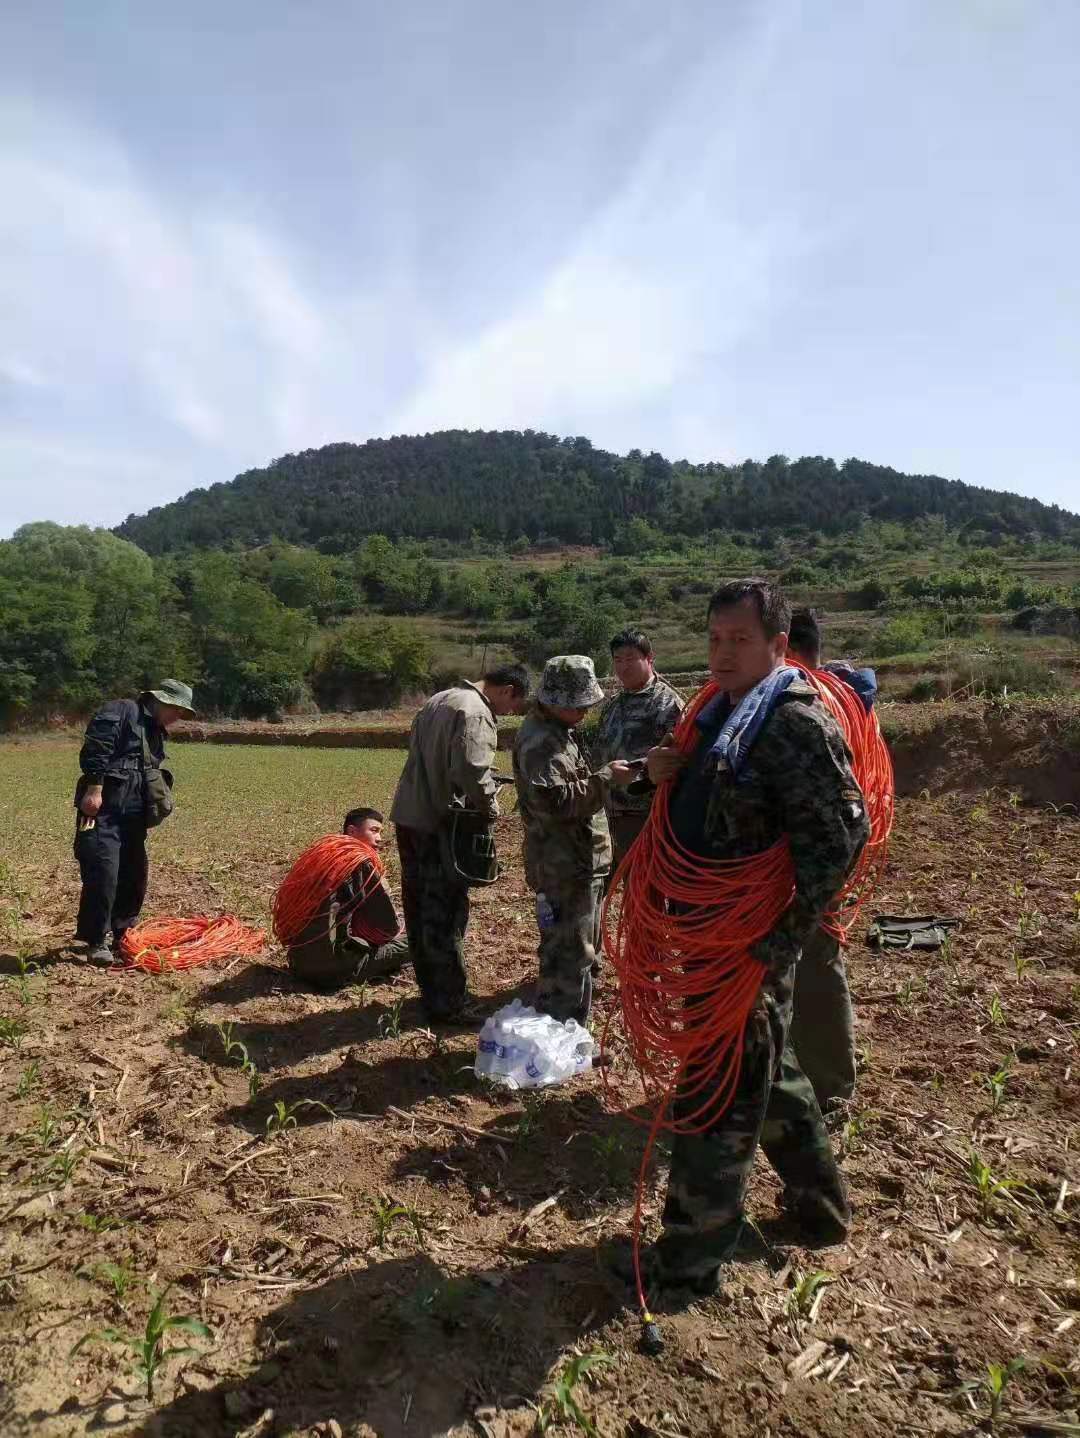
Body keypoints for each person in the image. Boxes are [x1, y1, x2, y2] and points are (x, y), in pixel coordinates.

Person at [618, 580, 869, 1293]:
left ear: (778, 645)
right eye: (714, 639)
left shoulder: (793, 723)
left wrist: (781, 939)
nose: (723, 654)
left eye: (740, 640)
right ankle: (821, 1209)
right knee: (771, 1070)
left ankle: (690, 1257)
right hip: (707, 934)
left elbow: (842, 837)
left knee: (715, 1090)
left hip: (746, 943)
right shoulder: (719, 715)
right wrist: (657, 774)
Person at [390, 665, 531, 1023]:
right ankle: (451, 1003)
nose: (509, 712)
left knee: (418, 908)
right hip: (442, 824)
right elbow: (472, 771)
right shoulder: (477, 711)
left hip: (410, 816)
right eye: (513, 705)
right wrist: (491, 807)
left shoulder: (439, 699)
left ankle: (431, 994)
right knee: (446, 913)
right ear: (507, 690)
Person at [785, 607, 877, 1111]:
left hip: (813, 861)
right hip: (822, 857)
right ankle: (818, 1074)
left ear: (784, 649)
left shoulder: (810, 707)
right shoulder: (844, 698)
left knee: (815, 965)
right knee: (815, 963)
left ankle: (829, 1089)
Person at [513, 655, 636, 1025]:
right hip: (563, 866)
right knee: (568, 955)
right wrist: (606, 779)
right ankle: (561, 1032)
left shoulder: (558, 730)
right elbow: (556, 803)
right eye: (578, 704)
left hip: (578, 861)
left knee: (582, 952)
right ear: (556, 700)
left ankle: (569, 1031)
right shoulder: (541, 742)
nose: (585, 711)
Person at [73, 679, 196, 967]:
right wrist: (94, 788)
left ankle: (123, 934)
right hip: (104, 807)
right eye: (177, 709)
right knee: (103, 871)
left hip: (133, 812)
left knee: (134, 873)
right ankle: (96, 940)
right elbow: (97, 747)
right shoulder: (121, 710)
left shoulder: (155, 730)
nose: (179, 716)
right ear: (160, 700)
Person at [285, 808, 410, 992]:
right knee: (419, 939)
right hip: (335, 971)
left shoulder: (319, 858)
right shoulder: (360, 863)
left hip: (298, 962)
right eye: (374, 830)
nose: (379, 838)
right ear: (351, 831)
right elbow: (388, 927)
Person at [591, 628, 684, 871]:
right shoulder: (612, 705)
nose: (623, 667)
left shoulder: (667, 703)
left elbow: (679, 761)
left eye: (631, 659)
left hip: (646, 817)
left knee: (644, 884)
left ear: (649, 658)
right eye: (618, 660)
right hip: (608, 815)